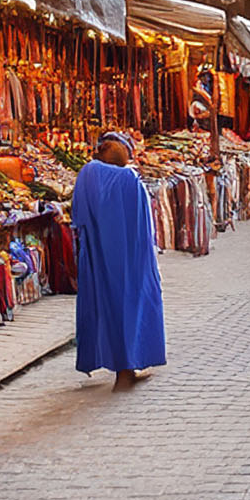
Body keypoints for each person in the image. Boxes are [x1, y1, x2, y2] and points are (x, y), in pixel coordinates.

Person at [71, 132, 166, 391]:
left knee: (107, 308)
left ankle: (124, 367)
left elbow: (77, 216)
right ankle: (127, 368)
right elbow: (145, 227)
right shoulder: (130, 180)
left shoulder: (88, 174)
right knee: (132, 307)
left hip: (99, 258)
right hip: (132, 260)